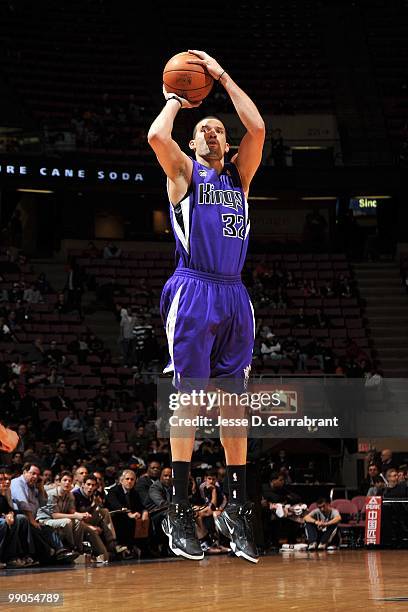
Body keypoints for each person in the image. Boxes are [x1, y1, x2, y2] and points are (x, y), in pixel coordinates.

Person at [148, 49, 265, 563]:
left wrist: (221, 75)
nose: (214, 133)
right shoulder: (184, 176)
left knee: (234, 403)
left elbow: (257, 128)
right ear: (193, 143)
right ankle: (178, 508)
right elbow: (155, 137)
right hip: (194, 289)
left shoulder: (240, 178)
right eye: (207, 130)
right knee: (191, 398)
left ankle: (236, 509)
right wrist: (175, 100)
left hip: (235, 291)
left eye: (220, 129)